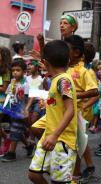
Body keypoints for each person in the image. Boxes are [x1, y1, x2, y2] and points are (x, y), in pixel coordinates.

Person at [28, 40, 77, 184]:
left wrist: (55, 135)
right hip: (48, 136)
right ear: (68, 60)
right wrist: (48, 103)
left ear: (45, 62)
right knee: (34, 174)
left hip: (62, 141)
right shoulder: (56, 79)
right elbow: (57, 102)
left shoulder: (63, 81)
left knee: (59, 181)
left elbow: (70, 110)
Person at [64, 35, 99, 183]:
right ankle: (72, 171)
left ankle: (77, 175)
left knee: (77, 143)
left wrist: (81, 102)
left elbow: (95, 93)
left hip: (79, 113)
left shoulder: (85, 71)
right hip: (64, 112)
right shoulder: (64, 68)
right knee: (74, 142)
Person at [0, 59, 34, 162]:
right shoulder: (12, 83)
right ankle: (29, 145)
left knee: (14, 130)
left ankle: (12, 153)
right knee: (17, 130)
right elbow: (8, 97)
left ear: (24, 72)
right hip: (12, 111)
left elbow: (31, 97)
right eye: (13, 70)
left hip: (21, 112)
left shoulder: (25, 84)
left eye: (18, 70)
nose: (15, 72)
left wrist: (27, 109)